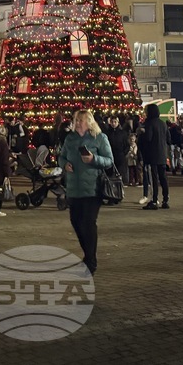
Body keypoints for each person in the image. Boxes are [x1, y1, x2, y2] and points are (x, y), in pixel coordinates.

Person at [59, 109, 113, 275]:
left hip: (92, 189)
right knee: (76, 223)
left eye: (80, 121)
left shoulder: (100, 138)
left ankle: (91, 261)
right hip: (74, 189)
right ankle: (88, 256)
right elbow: (61, 156)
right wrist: (64, 164)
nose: (77, 123)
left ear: (89, 122)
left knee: (88, 224)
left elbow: (109, 161)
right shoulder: (70, 138)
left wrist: (94, 159)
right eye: (76, 120)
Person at [141, 104, 169, 210]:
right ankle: (165, 200)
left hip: (152, 154)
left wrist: (142, 134)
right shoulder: (163, 123)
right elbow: (168, 138)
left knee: (153, 178)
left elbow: (148, 138)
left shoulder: (149, 123)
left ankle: (154, 200)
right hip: (162, 153)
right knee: (163, 177)